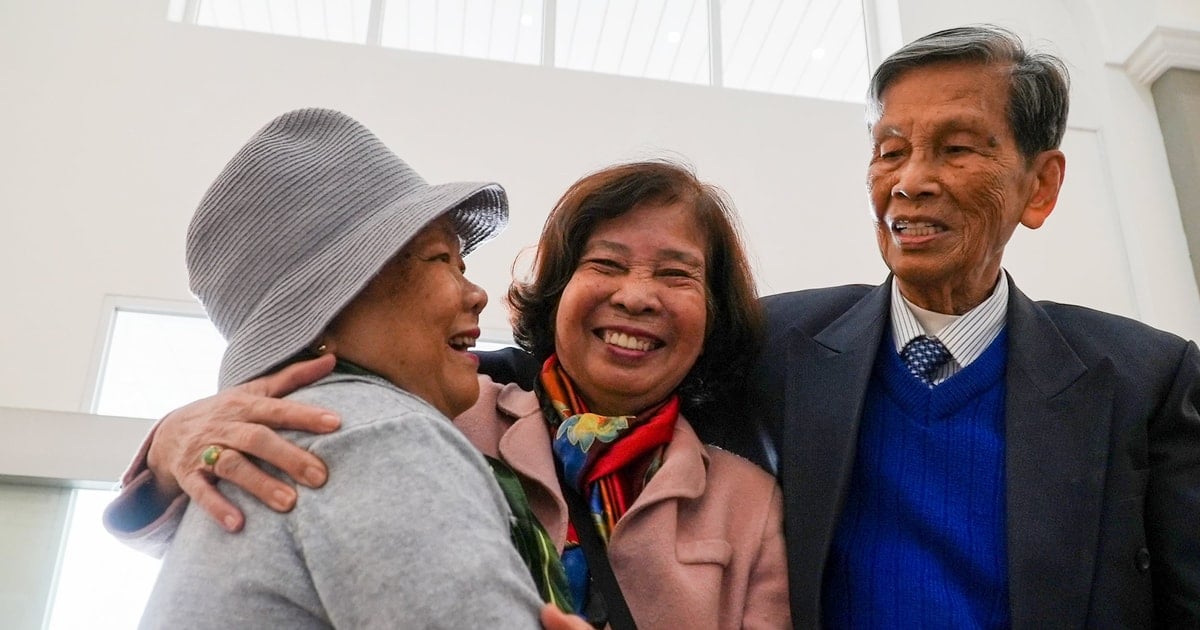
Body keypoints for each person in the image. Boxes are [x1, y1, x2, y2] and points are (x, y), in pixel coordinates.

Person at [110, 24, 1200, 628]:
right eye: (888, 148)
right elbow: (369, 395)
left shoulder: (1144, 377)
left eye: (956, 148)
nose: (909, 180)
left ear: (1041, 184)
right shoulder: (476, 408)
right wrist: (187, 424)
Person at [108, 158, 790, 629]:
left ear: (714, 313)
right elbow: (249, 515)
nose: (637, 296)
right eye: (605, 264)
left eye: (677, 276)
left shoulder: (746, 499)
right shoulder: (438, 415)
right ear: (557, 293)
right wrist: (173, 444)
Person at [123, 106, 576, 629]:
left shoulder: (272, 439)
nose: (476, 294)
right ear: (328, 308)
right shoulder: (374, 433)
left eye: (463, 264)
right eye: (439, 260)